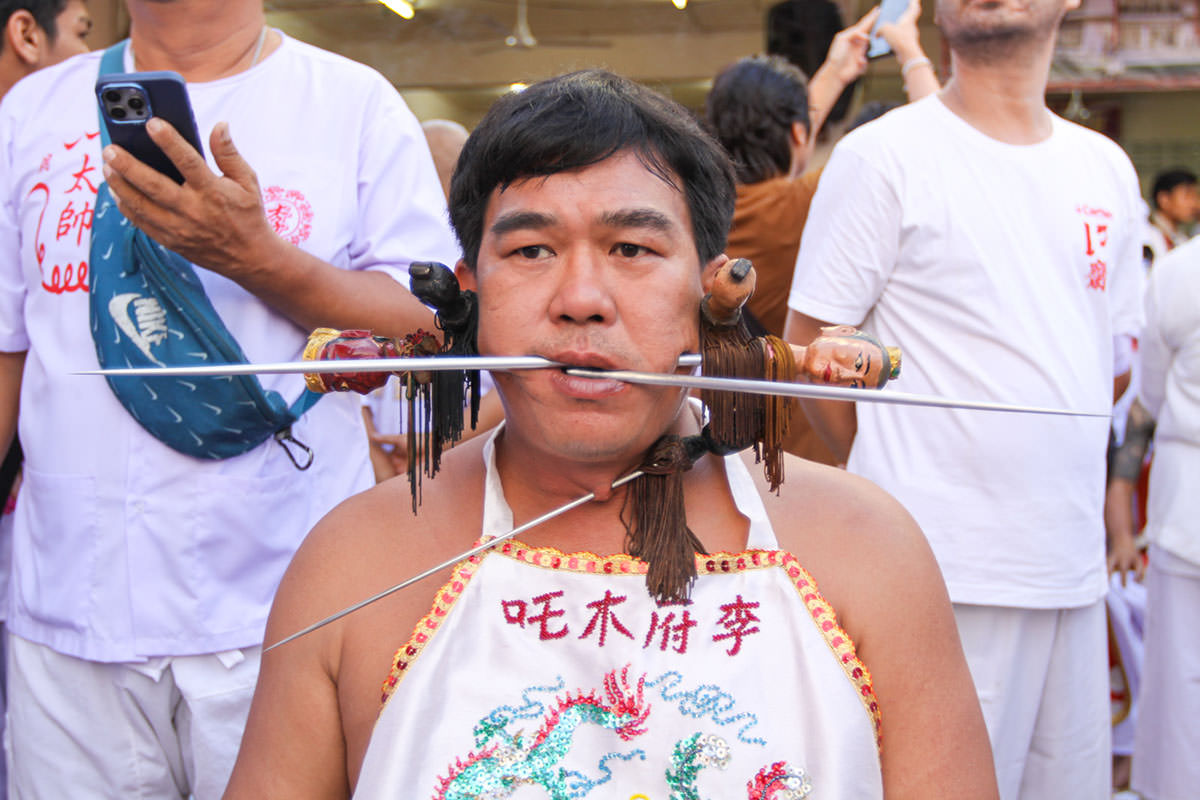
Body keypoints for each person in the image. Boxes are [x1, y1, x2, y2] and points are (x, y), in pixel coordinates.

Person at [225, 68, 997, 799]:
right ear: (470, 295)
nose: (582, 299)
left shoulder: (867, 553)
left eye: (633, 249)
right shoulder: (351, 564)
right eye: (531, 251)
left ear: (713, 290)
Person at [0, 0, 457, 795]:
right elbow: (11, 348)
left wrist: (259, 259)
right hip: (69, 607)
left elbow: (430, 324)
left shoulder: (350, 102)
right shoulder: (33, 111)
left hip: (286, 610)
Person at [784, 0, 1144, 795]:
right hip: (940, 573)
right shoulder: (885, 155)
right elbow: (815, 347)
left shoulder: (1105, 167)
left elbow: (1114, 360)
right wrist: (900, 475)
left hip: (1071, 567)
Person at [705, 0, 936, 468]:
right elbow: (940, 137)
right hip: (803, 452)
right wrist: (910, 52)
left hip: (723, 441)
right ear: (796, 132)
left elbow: (797, 131)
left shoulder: (698, 213)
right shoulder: (797, 205)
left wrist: (834, 70)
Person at [1104, 237, 1200, 800]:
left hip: (1186, 514)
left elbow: (1155, 396)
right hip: (1182, 513)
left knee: (1181, 695)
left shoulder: (1181, 270)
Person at [1144, 167, 1197, 266]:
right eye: (1187, 196)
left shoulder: (1181, 239)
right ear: (1164, 199)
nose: (1194, 204)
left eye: (1195, 197)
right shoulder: (1146, 237)